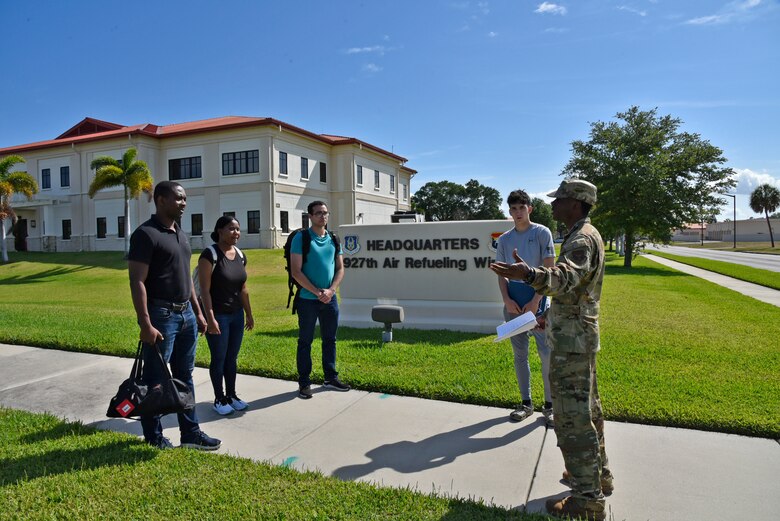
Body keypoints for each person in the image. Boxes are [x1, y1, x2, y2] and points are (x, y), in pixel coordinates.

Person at [490, 179, 613, 521]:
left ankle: (587, 501)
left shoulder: (582, 238)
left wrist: (528, 274)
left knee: (573, 420)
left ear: (575, 203)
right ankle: (598, 476)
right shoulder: (581, 234)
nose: (554, 205)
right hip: (574, 332)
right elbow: (574, 291)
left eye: (559, 200)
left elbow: (563, 278)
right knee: (589, 411)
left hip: (573, 342)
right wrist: (548, 316)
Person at [127, 180, 221, 451]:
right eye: (179, 198)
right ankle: (154, 437)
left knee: (184, 375)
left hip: (186, 315)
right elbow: (137, 281)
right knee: (155, 378)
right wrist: (145, 323)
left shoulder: (180, 232)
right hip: (161, 315)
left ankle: (190, 433)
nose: (183, 203)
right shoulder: (145, 234)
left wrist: (198, 312)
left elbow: (186, 277)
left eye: (185, 199)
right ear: (160, 200)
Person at [495, 190, 556, 426]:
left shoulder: (542, 233)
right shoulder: (504, 239)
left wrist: (536, 301)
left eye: (521, 207)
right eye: (513, 209)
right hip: (514, 304)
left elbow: (550, 271)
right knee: (520, 356)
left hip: (537, 303)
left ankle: (550, 407)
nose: (518, 212)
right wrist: (507, 300)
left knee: (546, 356)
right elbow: (501, 274)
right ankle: (526, 404)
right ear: (509, 211)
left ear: (529, 209)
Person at [290, 200, 349, 399]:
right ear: (310, 216)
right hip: (307, 299)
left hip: (330, 299)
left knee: (330, 340)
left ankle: (330, 378)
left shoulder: (333, 238)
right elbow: (296, 271)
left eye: (325, 213)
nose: (323, 216)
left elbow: (340, 268)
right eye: (318, 213)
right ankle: (304, 382)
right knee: (305, 341)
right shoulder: (301, 238)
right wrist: (317, 292)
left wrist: (331, 291)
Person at [198, 216, 254, 416]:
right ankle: (219, 398)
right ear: (219, 231)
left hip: (236, 315)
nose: (236, 233)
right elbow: (204, 291)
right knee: (219, 358)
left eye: (237, 229)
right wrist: (210, 318)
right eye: (231, 229)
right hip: (218, 316)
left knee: (232, 357)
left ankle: (231, 395)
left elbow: (243, 288)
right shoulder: (209, 255)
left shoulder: (240, 255)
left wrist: (249, 314)